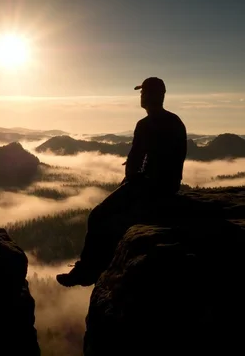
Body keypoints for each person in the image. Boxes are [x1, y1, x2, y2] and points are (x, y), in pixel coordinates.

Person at [56, 77, 187, 287]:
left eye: (144, 92)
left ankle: (87, 271)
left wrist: (130, 182)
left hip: (149, 185)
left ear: (156, 95)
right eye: (142, 93)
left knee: (98, 216)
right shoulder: (175, 121)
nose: (142, 96)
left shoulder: (146, 124)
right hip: (167, 186)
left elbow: (136, 159)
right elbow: (175, 159)